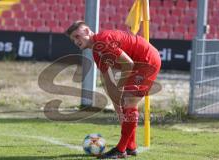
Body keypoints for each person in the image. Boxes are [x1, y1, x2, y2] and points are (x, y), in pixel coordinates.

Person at [65, 21, 161, 159]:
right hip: (140, 63)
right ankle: (131, 147)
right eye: (73, 39)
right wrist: (117, 107)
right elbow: (107, 81)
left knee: (129, 102)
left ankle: (121, 150)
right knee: (126, 104)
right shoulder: (97, 53)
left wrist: (121, 90)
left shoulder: (103, 40)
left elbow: (128, 64)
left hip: (147, 60)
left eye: (77, 36)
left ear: (87, 31)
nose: (76, 41)